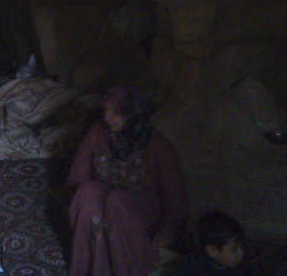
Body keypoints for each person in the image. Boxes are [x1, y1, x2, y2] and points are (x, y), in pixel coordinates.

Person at [66, 87, 188, 276]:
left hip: (138, 210)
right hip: (102, 201)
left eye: (115, 113)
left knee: (117, 201)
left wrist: (166, 234)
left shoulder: (157, 145)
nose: (107, 118)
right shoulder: (97, 133)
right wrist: (81, 204)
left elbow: (175, 197)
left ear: (132, 115)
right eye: (106, 111)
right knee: (87, 193)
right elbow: (78, 174)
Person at [173, 211, 245, 276]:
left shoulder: (237, 268)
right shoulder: (190, 269)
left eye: (242, 246)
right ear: (213, 251)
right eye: (234, 250)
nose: (241, 253)